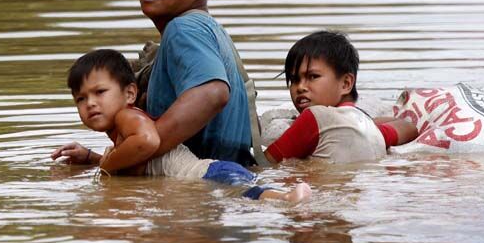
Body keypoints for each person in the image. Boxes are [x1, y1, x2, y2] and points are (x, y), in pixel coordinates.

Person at [50, 49, 311, 203]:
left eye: (100, 92)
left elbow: (147, 143)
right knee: (246, 196)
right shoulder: (123, 129)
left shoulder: (127, 117)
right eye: (81, 99)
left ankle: (288, 198)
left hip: (208, 175)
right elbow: (138, 158)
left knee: (255, 196)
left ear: (130, 93)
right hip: (208, 175)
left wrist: (106, 166)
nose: (90, 104)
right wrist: (92, 158)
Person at [137, 0, 255, 166]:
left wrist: (139, 149)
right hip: (229, 186)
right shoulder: (209, 30)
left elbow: (212, 94)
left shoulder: (184, 29)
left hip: (204, 192)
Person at [264, 31, 419, 164]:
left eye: (312, 76)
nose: (300, 87)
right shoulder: (369, 129)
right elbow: (410, 127)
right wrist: (367, 123)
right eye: (294, 80)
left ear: (346, 83)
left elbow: (264, 164)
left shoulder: (313, 118)